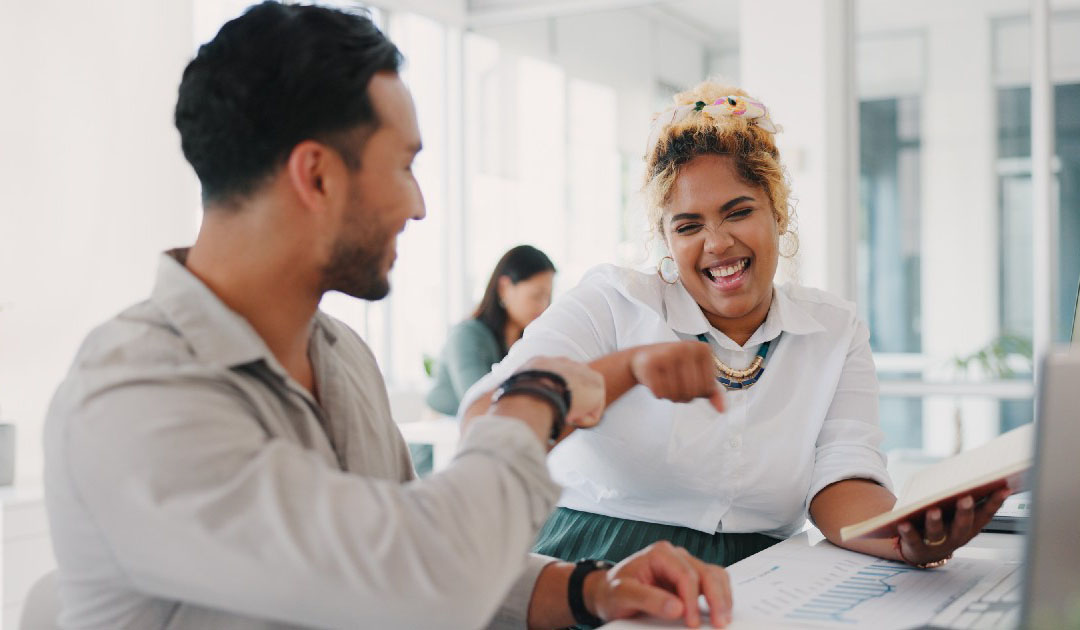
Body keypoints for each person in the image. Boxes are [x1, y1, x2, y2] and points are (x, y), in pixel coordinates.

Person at [41, 5, 735, 629]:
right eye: (404, 165)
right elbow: (424, 579)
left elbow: (406, 540)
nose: (419, 205)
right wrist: (538, 396)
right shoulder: (133, 397)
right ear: (315, 176)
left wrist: (591, 588)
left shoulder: (340, 354)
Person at [461, 80, 1009, 573]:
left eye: (738, 211)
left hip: (761, 575)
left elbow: (843, 476)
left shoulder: (834, 328)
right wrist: (624, 370)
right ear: (667, 240)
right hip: (596, 564)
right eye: (689, 225)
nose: (717, 242)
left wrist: (903, 539)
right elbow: (489, 416)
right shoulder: (612, 302)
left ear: (778, 212)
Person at [427, 245, 556, 416]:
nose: (544, 306)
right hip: (440, 434)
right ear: (504, 288)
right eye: (536, 296)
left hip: (489, 430)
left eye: (548, 297)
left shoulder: (526, 340)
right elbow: (478, 400)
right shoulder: (466, 335)